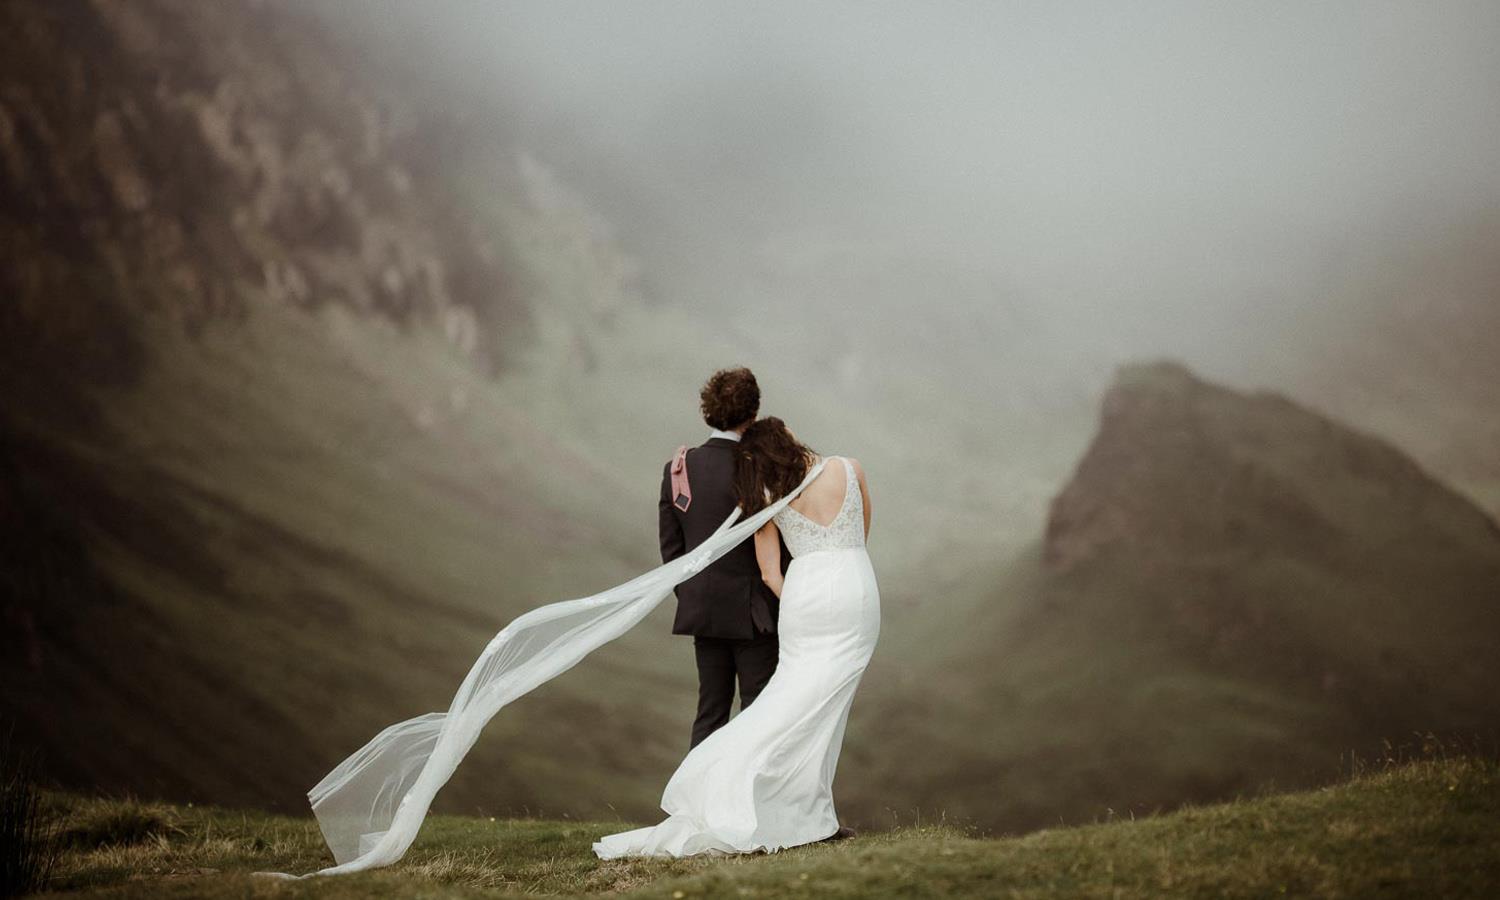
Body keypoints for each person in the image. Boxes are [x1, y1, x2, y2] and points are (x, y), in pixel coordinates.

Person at [593, 415, 879, 858]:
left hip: (802, 602)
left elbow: (769, 572)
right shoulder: (850, 467)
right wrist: (842, 571)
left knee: (791, 700)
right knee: (825, 706)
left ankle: (793, 805)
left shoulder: (769, 497)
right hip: (856, 592)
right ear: (792, 438)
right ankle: (811, 811)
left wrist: (801, 600)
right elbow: (859, 535)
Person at [659, 367, 791, 749]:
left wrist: (697, 595)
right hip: (757, 615)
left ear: (708, 411)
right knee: (757, 712)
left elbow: (672, 551)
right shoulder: (761, 468)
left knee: (710, 711)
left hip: (702, 610)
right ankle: (746, 805)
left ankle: (697, 803)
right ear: (752, 415)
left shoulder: (677, 470)